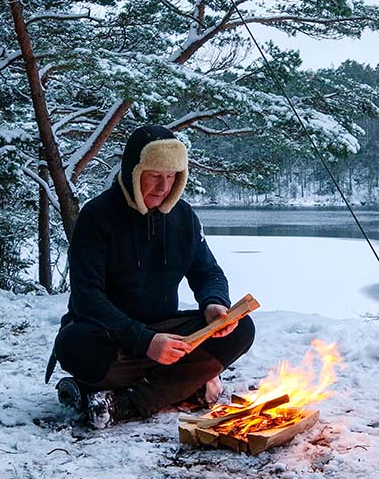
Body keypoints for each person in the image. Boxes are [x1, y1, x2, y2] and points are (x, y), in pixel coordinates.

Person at [44, 125, 255, 428]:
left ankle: (126, 402)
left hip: (167, 333)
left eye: (172, 177)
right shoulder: (97, 216)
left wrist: (214, 305)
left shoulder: (183, 217)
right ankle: (183, 383)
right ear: (133, 171)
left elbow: (207, 272)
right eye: (155, 175)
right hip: (110, 335)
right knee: (74, 345)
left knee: (240, 328)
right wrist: (145, 341)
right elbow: (87, 296)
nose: (163, 186)